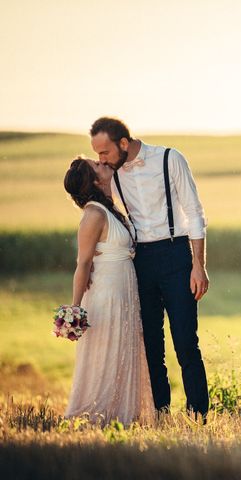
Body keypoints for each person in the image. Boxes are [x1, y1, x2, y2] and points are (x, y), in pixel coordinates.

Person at [90, 117, 210, 420]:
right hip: (139, 261)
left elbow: (195, 213)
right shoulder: (113, 175)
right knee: (151, 345)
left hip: (176, 255)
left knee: (185, 341)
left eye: (104, 153)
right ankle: (161, 413)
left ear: (124, 144)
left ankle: (198, 414)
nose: (101, 160)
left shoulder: (171, 159)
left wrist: (199, 265)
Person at [63, 157, 154, 426]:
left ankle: (122, 415)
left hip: (124, 291)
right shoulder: (94, 214)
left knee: (123, 349)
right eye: (98, 165)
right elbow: (83, 263)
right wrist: (75, 308)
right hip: (107, 294)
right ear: (94, 180)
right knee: (107, 353)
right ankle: (97, 415)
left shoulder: (109, 208)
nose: (104, 164)